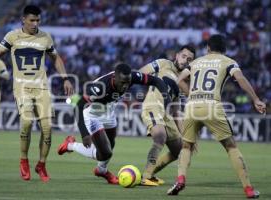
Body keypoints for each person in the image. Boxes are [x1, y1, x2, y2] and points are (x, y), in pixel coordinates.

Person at [167, 34, 265, 198]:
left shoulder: (196, 62)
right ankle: (248, 189)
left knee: (186, 146)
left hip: (192, 107)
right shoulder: (228, 62)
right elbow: (240, 79)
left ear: (208, 48)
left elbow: (180, 79)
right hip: (212, 105)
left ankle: (180, 179)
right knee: (230, 146)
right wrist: (255, 99)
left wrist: (191, 95)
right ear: (224, 49)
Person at [0, 5, 73, 182]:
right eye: (32, 20)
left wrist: (65, 78)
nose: (35, 24)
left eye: (38, 20)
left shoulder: (45, 38)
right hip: (22, 87)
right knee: (26, 122)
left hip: (41, 87)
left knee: (48, 129)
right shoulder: (12, 36)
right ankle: (24, 160)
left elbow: (56, 57)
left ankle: (41, 165)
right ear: (24, 20)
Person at [57, 63, 176, 184]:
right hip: (92, 114)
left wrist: (166, 97)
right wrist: (84, 134)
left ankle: (101, 170)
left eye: (127, 83)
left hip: (109, 110)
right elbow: (79, 106)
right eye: (122, 82)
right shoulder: (99, 87)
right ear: (114, 77)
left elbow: (156, 81)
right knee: (105, 153)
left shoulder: (131, 77)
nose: (125, 86)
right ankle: (70, 145)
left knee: (111, 144)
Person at [138, 45, 196, 186]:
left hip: (166, 114)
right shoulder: (163, 63)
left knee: (179, 150)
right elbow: (140, 73)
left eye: (189, 59)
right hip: (152, 105)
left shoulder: (181, 82)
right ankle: (145, 177)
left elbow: (176, 112)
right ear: (177, 55)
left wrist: (186, 136)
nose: (185, 61)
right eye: (183, 56)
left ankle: (150, 173)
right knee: (160, 136)